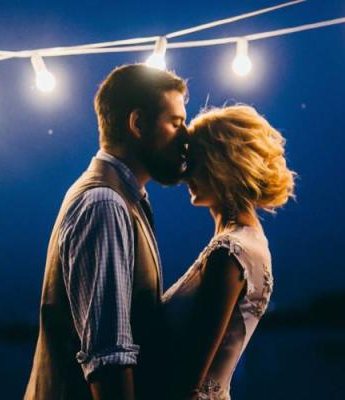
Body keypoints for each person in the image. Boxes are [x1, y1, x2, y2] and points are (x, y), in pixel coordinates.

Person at [24, 64, 188, 400]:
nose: (187, 138)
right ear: (138, 123)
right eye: (176, 123)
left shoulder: (122, 198)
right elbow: (108, 358)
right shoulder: (105, 203)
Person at [161, 105, 296, 399]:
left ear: (223, 164)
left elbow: (187, 380)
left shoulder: (230, 253)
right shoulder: (250, 242)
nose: (184, 175)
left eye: (194, 162)